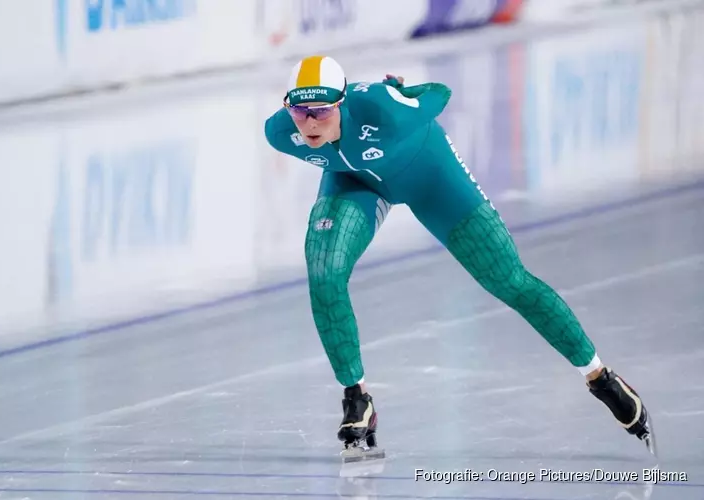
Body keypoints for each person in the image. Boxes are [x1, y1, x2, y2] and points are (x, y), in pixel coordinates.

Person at [263, 55, 655, 459]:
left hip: (431, 176)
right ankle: (356, 398)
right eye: (299, 111)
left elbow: (440, 92)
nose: (309, 123)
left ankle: (600, 378)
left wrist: (406, 93)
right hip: (357, 185)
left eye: (321, 111)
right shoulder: (280, 132)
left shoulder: (383, 111)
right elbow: (320, 140)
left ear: (341, 103)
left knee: (508, 280)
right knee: (324, 272)